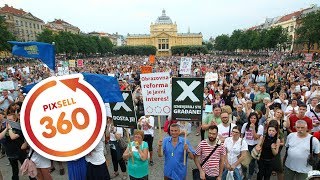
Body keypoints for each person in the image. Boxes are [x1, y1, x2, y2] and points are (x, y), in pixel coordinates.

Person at [0, 113, 33, 180]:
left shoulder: (19, 127)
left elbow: (13, 137)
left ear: (14, 119)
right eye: (7, 120)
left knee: (28, 168)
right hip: (10, 153)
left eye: (10, 120)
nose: (8, 122)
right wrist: (6, 128)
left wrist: (9, 129)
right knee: (14, 170)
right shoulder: (5, 127)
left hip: (20, 152)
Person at [241, 112, 264, 180]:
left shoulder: (260, 127)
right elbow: (242, 135)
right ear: (249, 118)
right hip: (245, 145)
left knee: (251, 162)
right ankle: (244, 174)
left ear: (257, 119)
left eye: (254, 118)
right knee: (244, 161)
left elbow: (256, 137)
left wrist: (253, 128)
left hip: (254, 145)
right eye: (251, 118)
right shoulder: (245, 125)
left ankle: (250, 175)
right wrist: (241, 143)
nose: (253, 119)